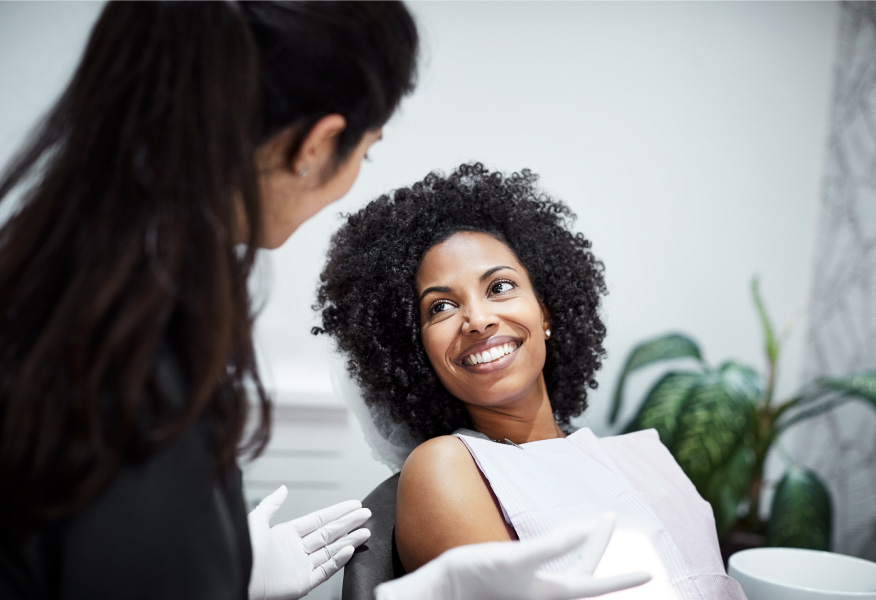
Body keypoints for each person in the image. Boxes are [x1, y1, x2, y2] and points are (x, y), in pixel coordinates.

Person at [0, 3, 642, 600]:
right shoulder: (130, 363)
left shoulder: (67, 296)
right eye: (367, 150)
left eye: (501, 286)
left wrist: (226, 567)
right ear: (315, 146)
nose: (477, 318)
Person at [315, 163, 749, 599]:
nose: (478, 320)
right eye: (441, 307)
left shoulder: (644, 455)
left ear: (546, 312)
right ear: (416, 352)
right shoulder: (446, 468)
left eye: (500, 286)